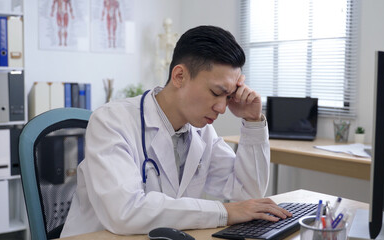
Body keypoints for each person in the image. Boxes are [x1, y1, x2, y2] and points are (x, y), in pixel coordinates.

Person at [61, 25, 291, 237]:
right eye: (215, 92)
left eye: (228, 96)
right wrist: (224, 212)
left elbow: (248, 195)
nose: (222, 108)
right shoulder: (112, 121)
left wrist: (252, 121)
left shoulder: (202, 132)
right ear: (179, 76)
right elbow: (125, 212)